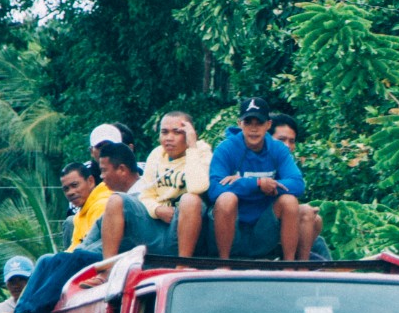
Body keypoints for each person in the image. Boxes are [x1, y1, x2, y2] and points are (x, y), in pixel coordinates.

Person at [0, 156, 128, 313]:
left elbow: (97, 243)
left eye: (75, 185)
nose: (71, 192)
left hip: (109, 256)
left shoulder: (102, 202)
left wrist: (66, 258)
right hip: (87, 254)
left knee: (71, 257)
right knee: (46, 260)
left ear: (91, 181)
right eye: (66, 189)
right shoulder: (81, 213)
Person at [209, 98, 305, 260]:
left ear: (268, 125)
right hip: (231, 225)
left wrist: (269, 185)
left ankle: (289, 265)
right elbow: (214, 189)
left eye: (259, 123)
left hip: (264, 226)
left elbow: (297, 183)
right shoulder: (226, 148)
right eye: (248, 122)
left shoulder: (278, 149)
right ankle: (224, 263)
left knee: (289, 201)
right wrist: (257, 184)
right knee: (226, 198)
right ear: (240, 124)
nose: (253, 129)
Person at [136, 110, 211, 256]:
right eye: (164, 132)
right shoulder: (156, 154)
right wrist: (157, 209)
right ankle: (105, 269)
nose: (169, 138)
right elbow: (145, 194)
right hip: (158, 218)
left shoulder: (202, 151)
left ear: (190, 134)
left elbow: (198, 187)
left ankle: (183, 263)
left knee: (190, 199)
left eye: (177, 132)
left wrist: (192, 147)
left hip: (187, 223)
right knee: (117, 200)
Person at [268, 113, 328, 260]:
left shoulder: (286, 163)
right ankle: (295, 266)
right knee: (305, 214)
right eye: (281, 140)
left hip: (283, 226)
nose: (287, 146)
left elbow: (297, 185)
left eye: (291, 141)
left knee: (316, 222)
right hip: (257, 228)